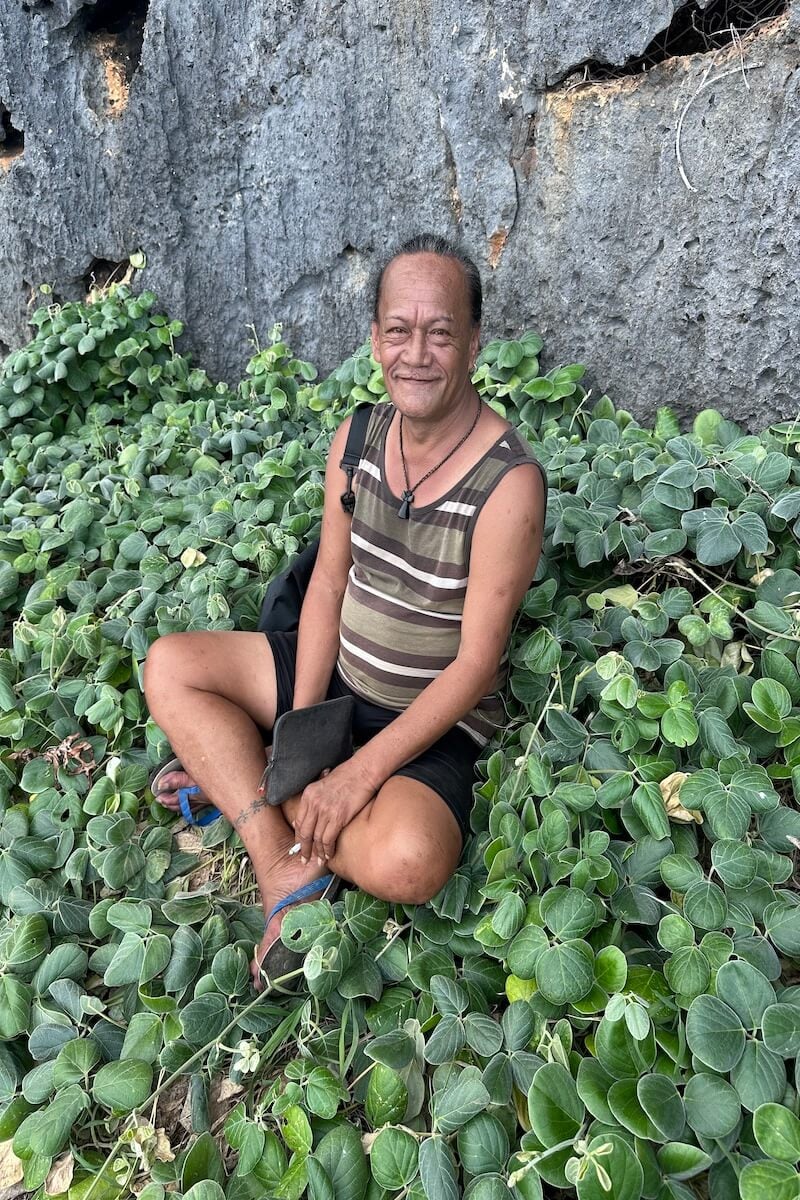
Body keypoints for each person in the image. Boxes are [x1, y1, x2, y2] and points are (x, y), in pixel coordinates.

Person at [142, 233, 546, 987]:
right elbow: (327, 584)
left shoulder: (508, 484)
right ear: (373, 339)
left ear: (474, 343)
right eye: (398, 330)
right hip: (333, 676)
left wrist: (357, 775)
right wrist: (300, 737)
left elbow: (475, 664)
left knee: (413, 860)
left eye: (440, 332)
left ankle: (235, 779)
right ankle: (279, 859)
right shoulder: (356, 438)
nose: (416, 353)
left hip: (423, 719)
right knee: (170, 665)